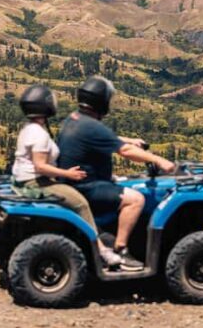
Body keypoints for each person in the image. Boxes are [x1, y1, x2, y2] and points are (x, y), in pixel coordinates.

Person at [57, 76, 176, 272]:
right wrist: (159, 160)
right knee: (135, 199)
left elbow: (104, 138)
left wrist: (129, 140)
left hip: (74, 184)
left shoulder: (74, 119)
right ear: (102, 102)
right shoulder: (92, 125)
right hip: (85, 188)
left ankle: (108, 234)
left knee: (122, 184)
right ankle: (121, 251)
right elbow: (126, 152)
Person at [12, 84, 123, 268]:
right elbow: (40, 166)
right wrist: (67, 174)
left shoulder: (28, 128)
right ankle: (102, 250)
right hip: (36, 182)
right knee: (80, 203)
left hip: (29, 180)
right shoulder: (39, 134)